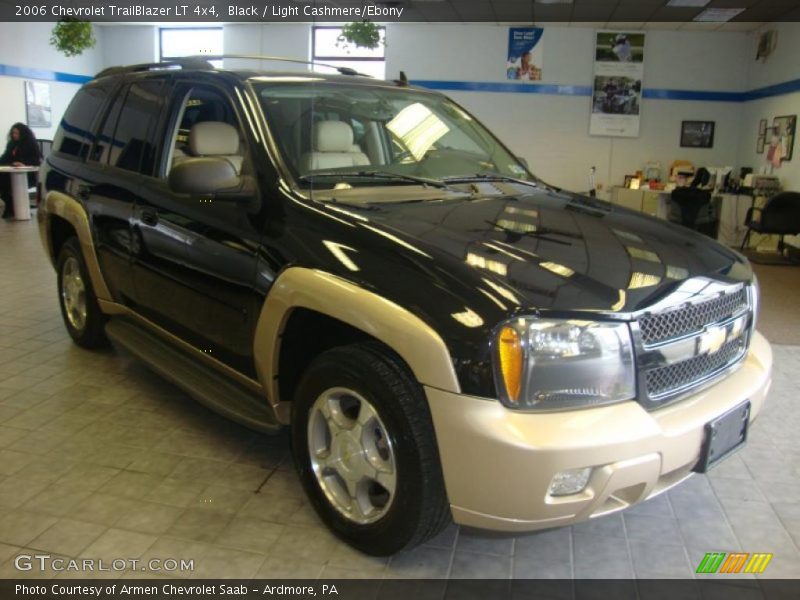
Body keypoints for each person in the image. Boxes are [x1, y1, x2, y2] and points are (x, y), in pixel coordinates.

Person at [1, 123, 42, 219]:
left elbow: (36, 160)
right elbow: (5, 157)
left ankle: (11, 208)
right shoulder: (11, 144)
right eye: (13, 133)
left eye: (17, 133)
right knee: (2, 180)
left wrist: (23, 163)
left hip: (28, 173)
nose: (14, 135)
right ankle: (11, 206)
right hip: (11, 172)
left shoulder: (31, 143)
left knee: (5, 182)